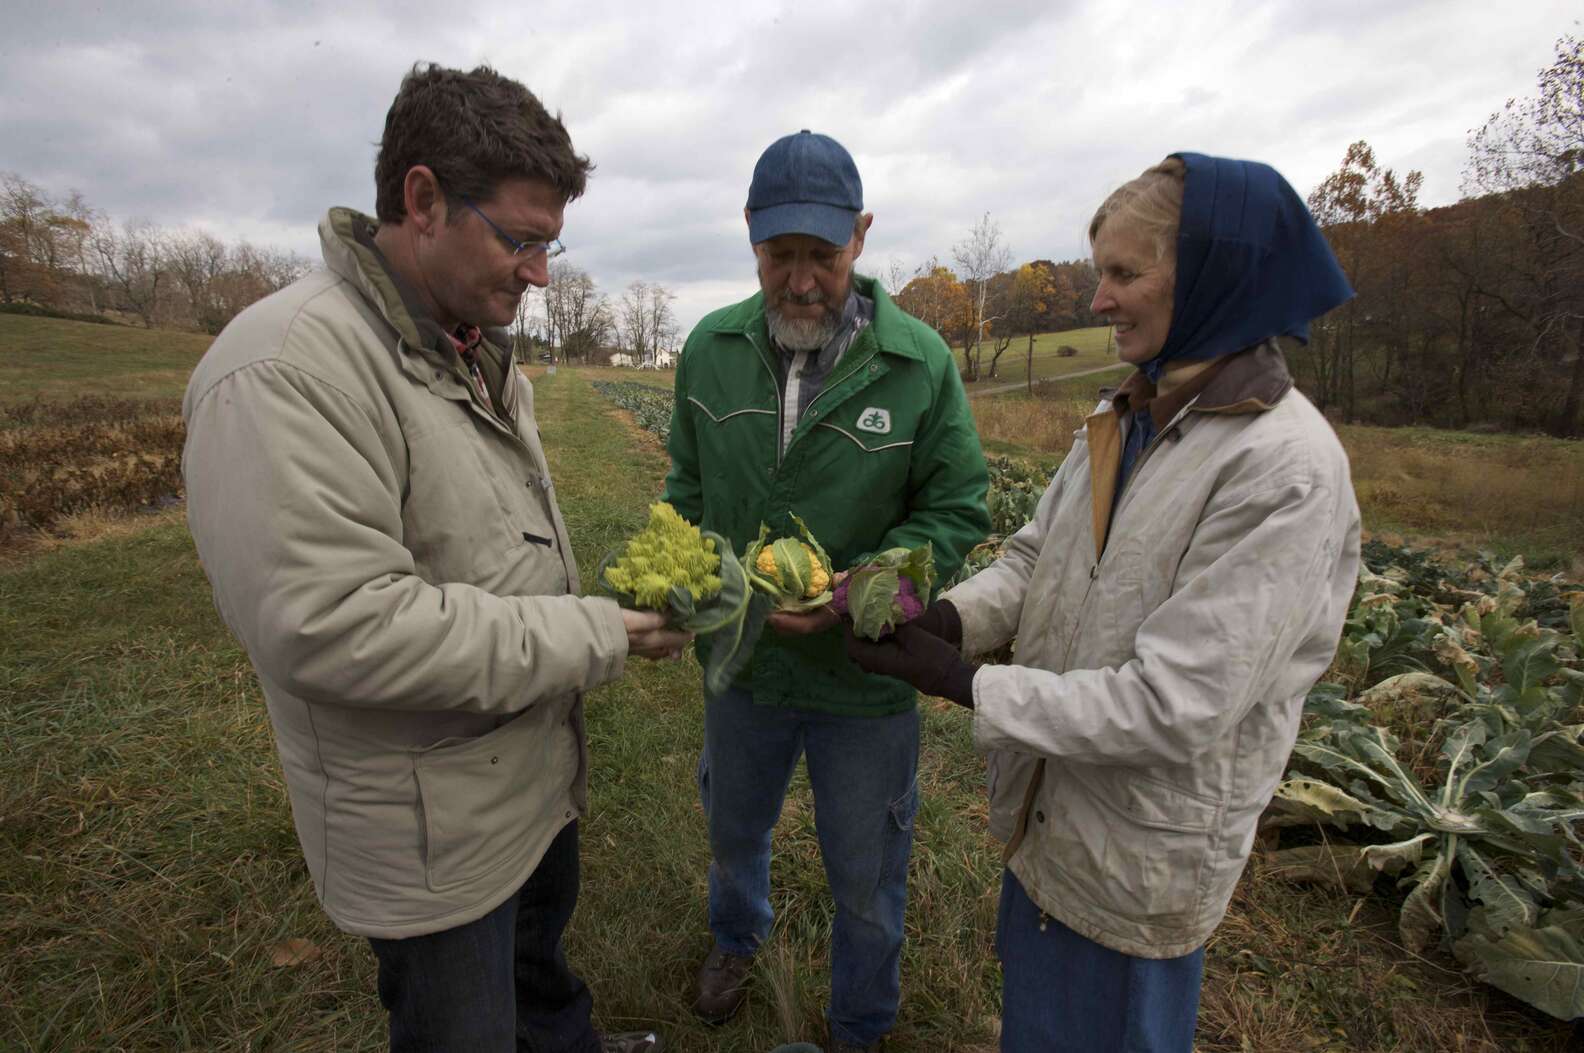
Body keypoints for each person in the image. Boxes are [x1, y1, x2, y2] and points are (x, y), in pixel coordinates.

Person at [181, 64, 687, 1053]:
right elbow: (335, 627)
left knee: (540, 984)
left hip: (524, 783)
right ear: (421, 201)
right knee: (464, 1024)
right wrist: (594, 633)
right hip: (428, 837)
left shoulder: (472, 348)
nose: (540, 271)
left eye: (552, 242)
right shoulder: (284, 370)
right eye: (521, 238)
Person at [847, 153, 1362, 1051]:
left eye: (1125, 273)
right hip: (1052, 813)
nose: (1099, 300)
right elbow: (1036, 557)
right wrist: (949, 621)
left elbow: (1176, 705)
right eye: (1101, 274)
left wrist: (969, 684)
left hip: (1139, 850)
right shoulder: (1126, 413)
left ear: (1209, 277)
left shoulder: (1284, 469)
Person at [662, 130, 991, 1052]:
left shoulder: (919, 363)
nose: (802, 279)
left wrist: (864, 590)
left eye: (824, 255)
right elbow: (684, 488)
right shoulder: (710, 349)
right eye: (781, 256)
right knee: (733, 828)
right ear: (751, 240)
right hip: (743, 659)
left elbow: (958, 505)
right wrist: (682, 570)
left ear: (861, 234)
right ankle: (737, 937)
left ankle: (859, 1023)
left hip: (864, 675)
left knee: (866, 870)